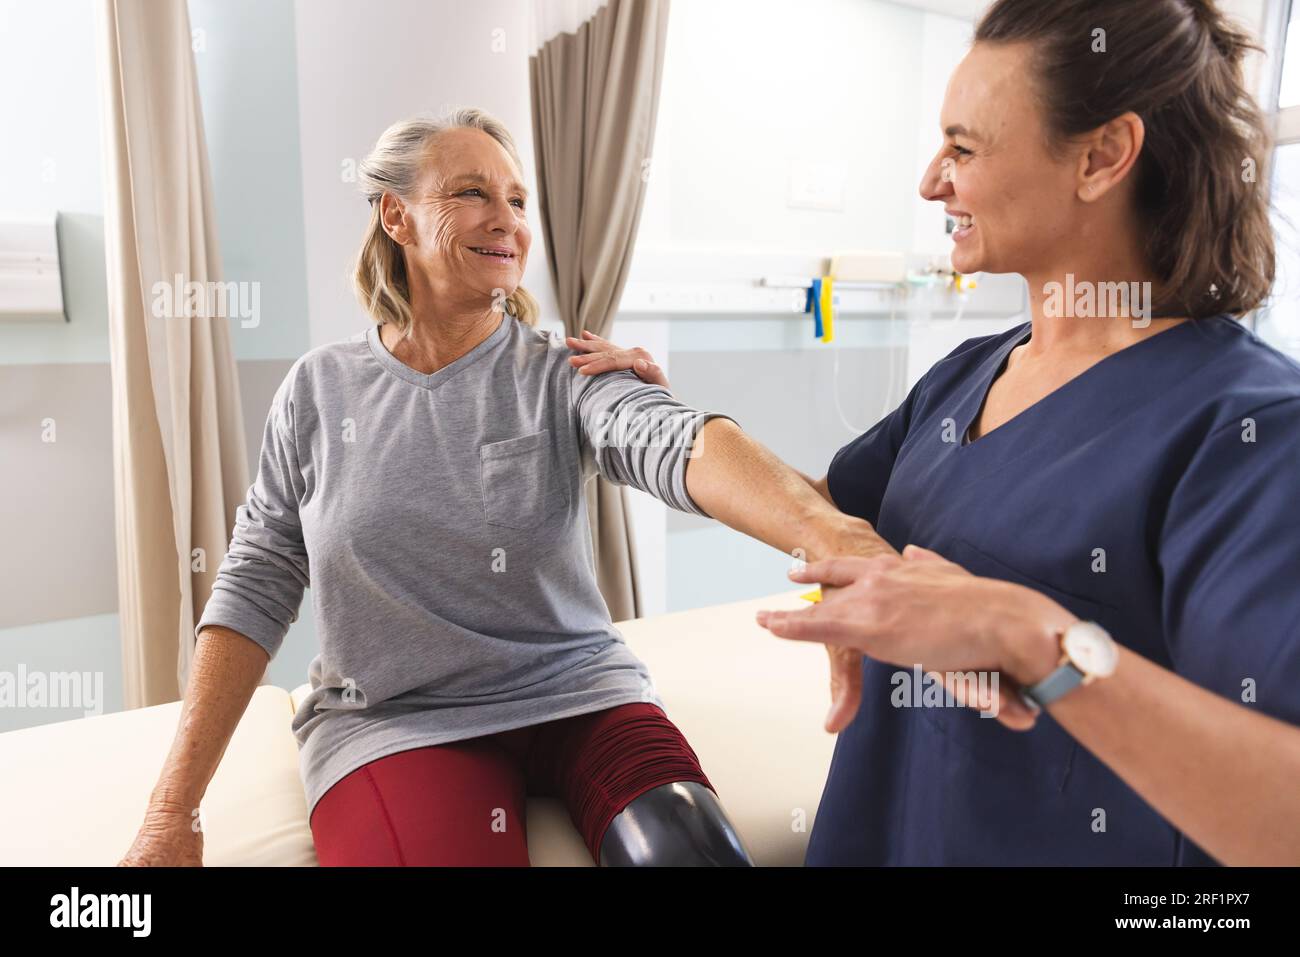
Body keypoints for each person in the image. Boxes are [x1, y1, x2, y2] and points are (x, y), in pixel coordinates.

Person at [570, 0, 1300, 865]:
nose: (930, 181)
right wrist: (666, 416)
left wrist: (1029, 636)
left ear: (1102, 157)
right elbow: (824, 515)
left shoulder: (1248, 429)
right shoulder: (971, 372)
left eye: (964, 147)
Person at [118, 108, 887, 867]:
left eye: (517, 200)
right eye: (472, 194)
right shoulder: (319, 390)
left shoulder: (566, 372)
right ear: (397, 216)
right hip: (397, 720)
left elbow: (673, 441)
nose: (507, 221)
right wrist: (171, 810)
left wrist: (822, 530)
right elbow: (255, 580)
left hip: (581, 692)